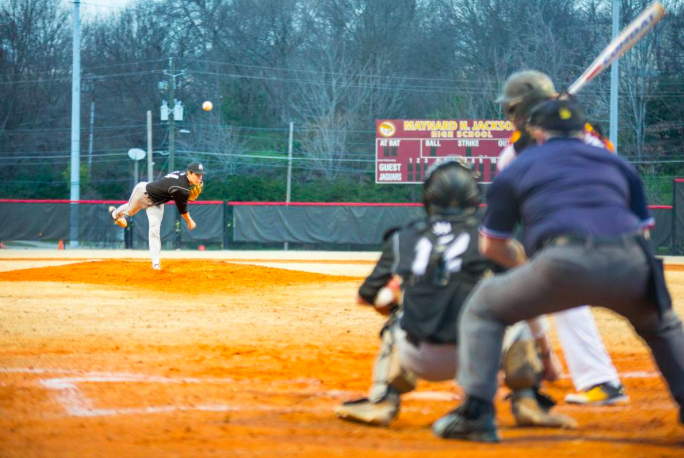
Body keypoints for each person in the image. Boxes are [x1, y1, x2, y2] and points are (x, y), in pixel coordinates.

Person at [432, 98, 684, 443]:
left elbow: (491, 246)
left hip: (564, 261)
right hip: (632, 259)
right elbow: (644, 232)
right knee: (663, 325)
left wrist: (530, 266)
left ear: (537, 133)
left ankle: (476, 413)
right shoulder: (617, 164)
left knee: (486, 306)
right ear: (584, 133)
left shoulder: (519, 166)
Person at [334, 159, 575, 429]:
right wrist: (546, 356)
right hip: (477, 358)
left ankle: (383, 400)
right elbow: (530, 296)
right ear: (474, 197)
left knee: (394, 321)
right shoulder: (488, 241)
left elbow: (363, 298)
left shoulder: (403, 237)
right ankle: (527, 401)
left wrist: (396, 304)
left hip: (419, 359)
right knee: (518, 312)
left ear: (428, 197)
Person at [495, 70, 627, 406]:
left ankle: (595, 379)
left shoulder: (585, 137)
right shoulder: (515, 152)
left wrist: (570, 125)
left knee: (557, 294)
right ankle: (548, 361)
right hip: (572, 241)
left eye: (515, 109)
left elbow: (608, 160)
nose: (511, 116)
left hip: (596, 235)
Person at [109, 161, 205, 270]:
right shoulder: (182, 188)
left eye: (201, 174)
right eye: (197, 174)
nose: (199, 177)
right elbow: (183, 210)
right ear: (189, 173)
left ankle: (156, 263)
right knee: (129, 211)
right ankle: (115, 214)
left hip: (157, 203)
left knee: (154, 231)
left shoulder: (182, 177)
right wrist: (190, 221)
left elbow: (174, 190)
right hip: (143, 193)